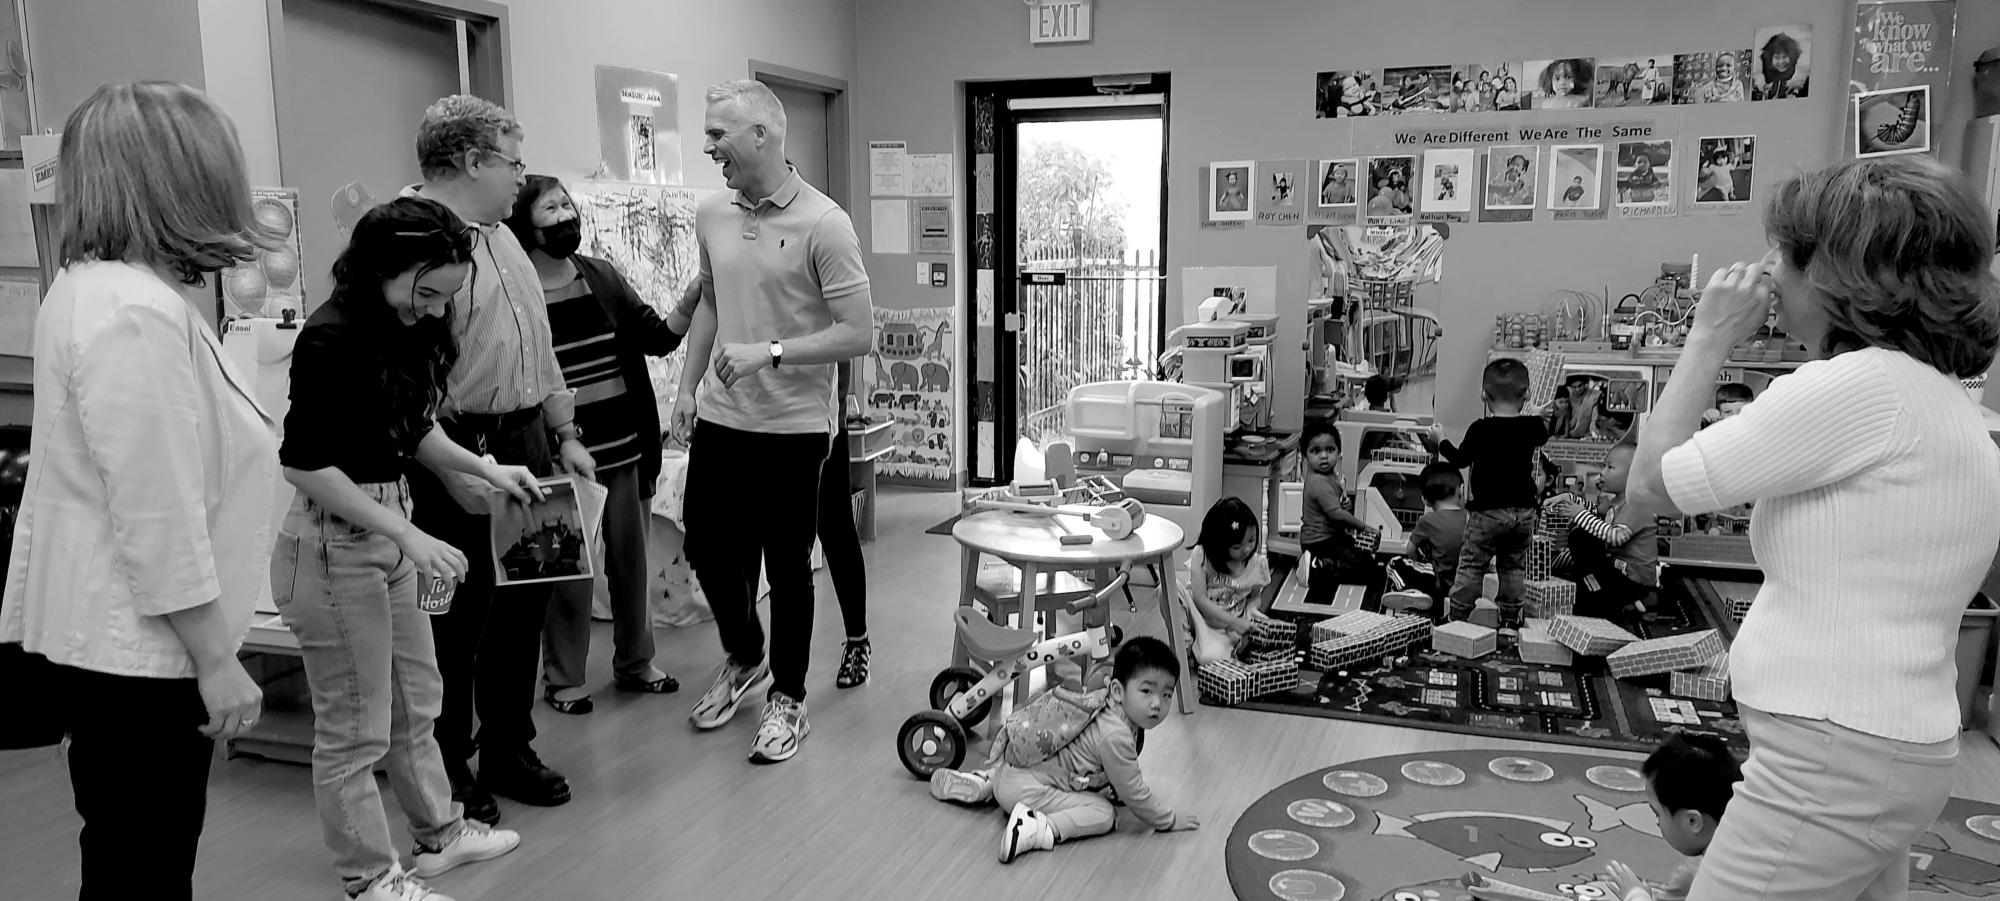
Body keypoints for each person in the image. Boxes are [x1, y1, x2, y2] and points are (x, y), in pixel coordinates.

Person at [1627, 155, 2000, 901]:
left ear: (1835, 273)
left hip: (1832, 753)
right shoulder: (1942, 399)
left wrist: (1707, 337)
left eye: (1783, 252)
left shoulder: (1855, 385)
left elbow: (1648, 486)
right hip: (1892, 750)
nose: (1768, 270)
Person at [0, 79, 277, 901]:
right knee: (144, 864)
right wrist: (218, 659)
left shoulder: (97, 290)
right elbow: (157, 513)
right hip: (146, 652)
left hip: (123, 642)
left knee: (131, 855)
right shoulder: (133, 311)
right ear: (184, 178)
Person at [278, 197, 536, 901]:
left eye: (445, 297)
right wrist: (408, 534)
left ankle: (440, 835)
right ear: (380, 268)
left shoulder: (404, 327)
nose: (432, 310)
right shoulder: (330, 337)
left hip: (392, 529)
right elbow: (304, 463)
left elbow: (410, 425)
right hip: (335, 546)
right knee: (354, 729)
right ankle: (368, 878)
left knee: (417, 700)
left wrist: (481, 467)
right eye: (424, 292)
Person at [672, 79, 873, 764]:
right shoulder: (711, 214)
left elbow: (858, 332)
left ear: (761, 134)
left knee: (788, 563)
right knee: (703, 543)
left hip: (794, 426)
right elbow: (708, 305)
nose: (709, 148)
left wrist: (774, 353)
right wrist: (684, 387)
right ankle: (746, 654)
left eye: (718, 133)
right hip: (723, 417)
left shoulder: (825, 223)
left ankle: (789, 697)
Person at [399, 94, 581, 824]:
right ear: (471, 161)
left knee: (526, 603)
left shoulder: (502, 236)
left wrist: (564, 431)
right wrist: (448, 468)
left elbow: (537, 345)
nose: (522, 175)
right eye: (513, 159)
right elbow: (401, 386)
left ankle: (509, 744)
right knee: (453, 615)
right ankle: (447, 763)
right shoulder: (410, 240)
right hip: (457, 448)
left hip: (528, 439)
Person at [503, 175, 695, 715]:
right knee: (564, 573)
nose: (565, 215)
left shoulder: (600, 276)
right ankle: (563, 679)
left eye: (568, 204)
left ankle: (636, 663)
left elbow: (656, 338)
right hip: (556, 456)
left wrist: (694, 296)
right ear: (525, 220)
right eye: (550, 207)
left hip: (624, 446)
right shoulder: (517, 292)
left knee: (630, 565)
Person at [924, 637, 1199, 863]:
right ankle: (1035, 827)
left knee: (1049, 771)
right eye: (1147, 692)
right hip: (1024, 791)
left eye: (1166, 695)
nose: (1157, 705)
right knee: (1103, 814)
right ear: (1117, 690)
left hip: (1014, 769)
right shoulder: (1115, 735)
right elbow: (1134, 793)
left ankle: (985, 782)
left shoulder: (1100, 702)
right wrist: (1167, 819)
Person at [1429, 358, 1550, 628]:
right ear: (1527, 394)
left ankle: (1457, 616)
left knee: (1473, 565)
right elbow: (1540, 433)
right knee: (1513, 566)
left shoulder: (1480, 429)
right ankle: (1510, 619)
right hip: (1524, 512)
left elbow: (1460, 460)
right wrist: (1536, 414)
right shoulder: (1532, 427)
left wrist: (1441, 441)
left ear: (1484, 394)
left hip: (1488, 512)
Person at [1604, 733, 1745, 901]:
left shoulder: (1702, 876)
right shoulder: (1746, 847)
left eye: (1658, 814)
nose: (1657, 823)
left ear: (1693, 821)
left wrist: (1636, 895)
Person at [1546, 435, 1658, 619]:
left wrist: (1579, 514)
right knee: (1582, 539)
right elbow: (1594, 511)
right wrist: (1570, 499)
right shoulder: (1617, 501)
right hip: (1615, 572)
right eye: (1603, 466)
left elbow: (1615, 536)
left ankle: (1632, 598)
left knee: (1583, 537)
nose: (1602, 473)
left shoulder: (1637, 505)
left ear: (1633, 474)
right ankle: (1594, 589)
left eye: (1610, 467)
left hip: (1633, 580)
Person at [823, 364, 874, 689]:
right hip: (761, 425)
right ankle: (748, 656)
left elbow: (852, 335)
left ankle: (858, 640)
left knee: (836, 529)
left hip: (819, 422)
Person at [1299, 419, 1378, 603]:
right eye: (1316, 451)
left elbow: (1337, 505)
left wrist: (1345, 504)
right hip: (1320, 542)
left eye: (1330, 450)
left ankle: (1317, 561)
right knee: (1368, 571)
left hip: (1328, 538)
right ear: (1305, 456)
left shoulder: (1328, 475)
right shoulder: (1318, 482)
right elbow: (1337, 514)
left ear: (1338, 452)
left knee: (1364, 557)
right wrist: (1365, 527)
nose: (1324, 456)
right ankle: (1319, 568)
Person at [1185, 497, 1277, 649]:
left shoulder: (1256, 564)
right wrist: (1233, 621)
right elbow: (1199, 598)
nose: (1247, 549)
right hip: (1197, 618)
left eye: (1252, 540)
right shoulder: (1202, 555)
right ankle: (1185, 645)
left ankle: (1205, 646)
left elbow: (1255, 597)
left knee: (1210, 657)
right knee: (1167, 590)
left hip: (1225, 629)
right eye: (1237, 546)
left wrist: (1251, 608)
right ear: (1219, 544)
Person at [1386, 463, 1468, 617]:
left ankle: (1411, 588)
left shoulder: (1428, 520)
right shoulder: (1471, 518)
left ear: (1425, 500)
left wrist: (1420, 561)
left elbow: (1409, 551)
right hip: (1465, 583)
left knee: (1395, 563)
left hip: (1439, 584)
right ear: (1461, 491)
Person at [1756, 32, 1807, 100]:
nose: (1781, 61)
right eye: (1777, 58)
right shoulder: (1760, 85)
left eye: (1784, 57)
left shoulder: (1801, 83)